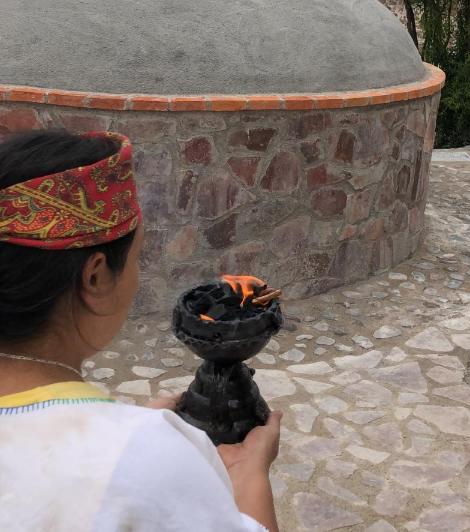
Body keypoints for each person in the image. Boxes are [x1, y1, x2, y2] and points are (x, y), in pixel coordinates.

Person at [0, 130, 281, 531]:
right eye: (137, 257)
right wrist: (249, 476)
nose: (137, 276)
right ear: (95, 277)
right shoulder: (151, 461)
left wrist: (123, 427)